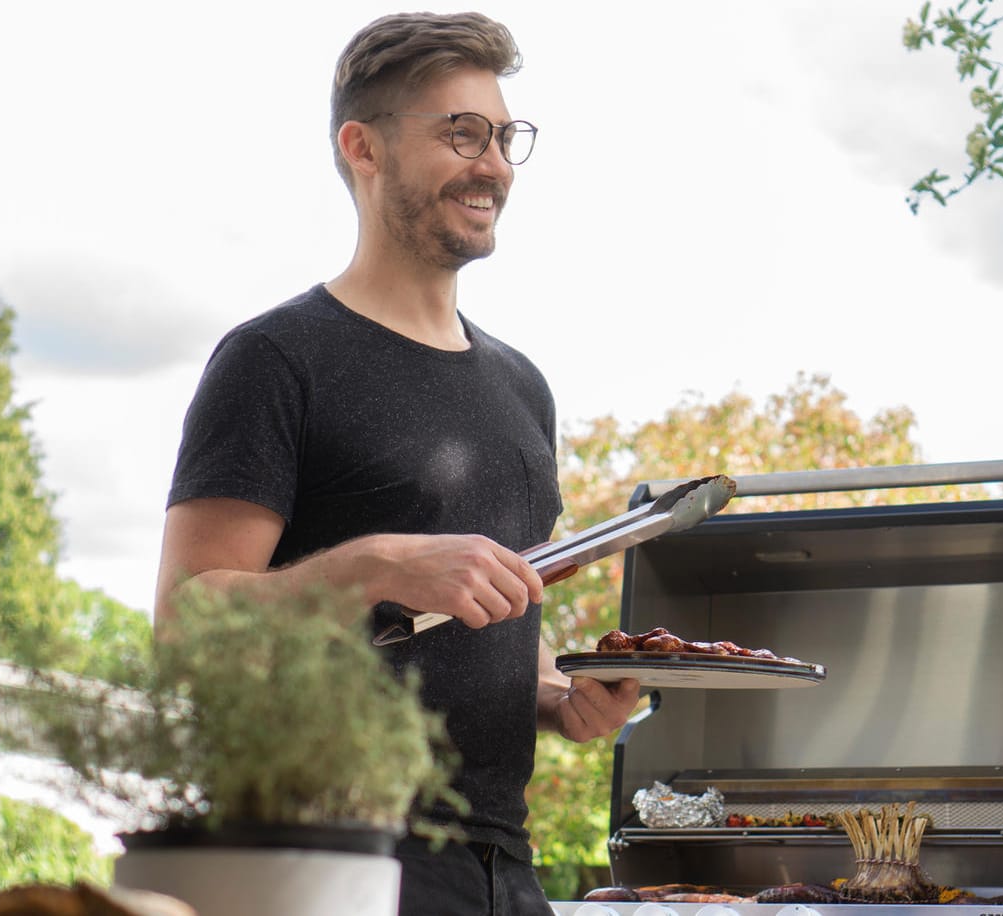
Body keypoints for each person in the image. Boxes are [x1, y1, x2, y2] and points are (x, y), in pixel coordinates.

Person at [154, 11, 640, 915]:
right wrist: (375, 565)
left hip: (503, 864)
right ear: (362, 148)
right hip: (328, 856)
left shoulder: (521, 387)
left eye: (503, 137)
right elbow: (186, 630)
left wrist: (555, 699)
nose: (493, 163)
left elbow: (467, 637)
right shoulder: (275, 359)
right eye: (461, 133)